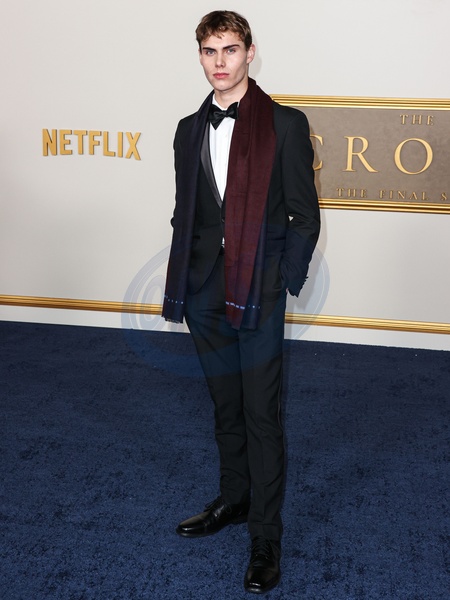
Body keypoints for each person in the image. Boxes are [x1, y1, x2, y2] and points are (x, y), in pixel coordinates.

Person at [162, 10, 320, 594]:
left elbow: (304, 215)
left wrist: (280, 280)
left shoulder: (285, 124)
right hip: (204, 289)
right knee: (224, 405)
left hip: (258, 289)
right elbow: (185, 211)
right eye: (210, 51)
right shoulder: (187, 128)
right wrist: (188, 274)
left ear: (250, 52)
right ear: (200, 56)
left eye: (229, 49)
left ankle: (265, 538)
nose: (220, 61)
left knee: (261, 413)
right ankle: (234, 498)